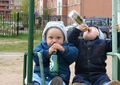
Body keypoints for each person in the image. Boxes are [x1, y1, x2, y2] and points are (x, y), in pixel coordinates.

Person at [32, 21, 78, 85]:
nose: (54, 40)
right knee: (32, 77)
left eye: (58, 38)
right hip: (41, 76)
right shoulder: (42, 46)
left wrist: (63, 50)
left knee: (59, 82)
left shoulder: (67, 47)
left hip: (60, 77)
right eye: (51, 37)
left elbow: (74, 55)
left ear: (64, 38)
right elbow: (35, 57)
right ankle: (36, 83)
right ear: (45, 38)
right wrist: (47, 52)